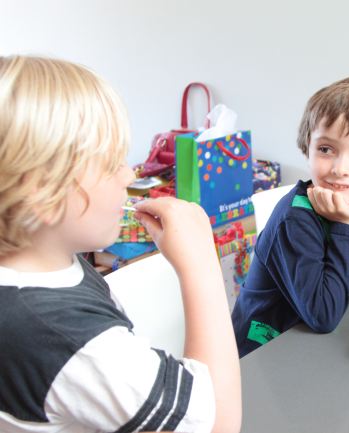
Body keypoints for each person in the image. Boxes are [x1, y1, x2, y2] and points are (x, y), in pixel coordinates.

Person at [0, 56, 241, 433]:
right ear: (42, 194)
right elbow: (218, 423)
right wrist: (201, 264)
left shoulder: (46, 265)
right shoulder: (73, 341)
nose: (129, 175)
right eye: (112, 163)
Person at [232, 75, 349, 357]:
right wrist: (347, 226)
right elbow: (323, 315)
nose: (340, 169)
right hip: (260, 356)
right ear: (308, 148)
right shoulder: (295, 220)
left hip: (308, 351)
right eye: (326, 149)